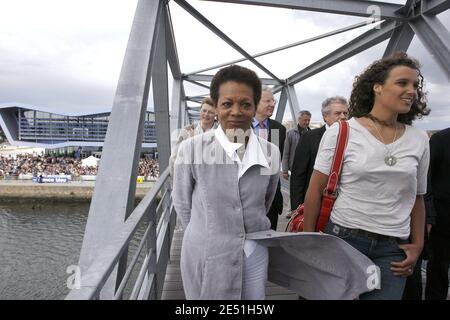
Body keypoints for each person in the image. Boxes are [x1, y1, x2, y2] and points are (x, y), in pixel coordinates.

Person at [303, 52, 430, 300]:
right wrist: (311, 245)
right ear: (377, 88)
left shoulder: (419, 139)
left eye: (415, 85)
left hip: (393, 250)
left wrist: (418, 246)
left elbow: (418, 198)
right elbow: (315, 189)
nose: (412, 91)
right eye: (402, 83)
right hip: (343, 241)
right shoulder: (343, 131)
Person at [172, 65, 281, 299]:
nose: (236, 111)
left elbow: (266, 200)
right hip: (206, 251)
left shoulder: (271, 153)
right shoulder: (191, 149)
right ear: (216, 107)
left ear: (254, 108)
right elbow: (181, 202)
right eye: (227, 104)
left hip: (253, 251)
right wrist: (210, 229)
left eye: (245, 104)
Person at [289, 97, 348, 212]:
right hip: (315, 204)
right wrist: (296, 207)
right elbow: (298, 174)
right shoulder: (308, 137)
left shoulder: (353, 137)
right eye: (338, 113)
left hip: (343, 206)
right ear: (325, 117)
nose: (343, 117)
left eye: (345, 113)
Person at [252, 86, 286, 230]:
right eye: (268, 101)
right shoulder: (239, 127)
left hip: (270, 199)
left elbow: (275, 163)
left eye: (274, 101)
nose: (272, 104)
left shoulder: (279, 129)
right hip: (245, 199)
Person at [425, 127, 450, 300]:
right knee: (438, 273)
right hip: (443, 223)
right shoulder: (440, 140)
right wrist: (430, 217)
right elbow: (426, 183)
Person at [169, 97, 217, 176]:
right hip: (189, 179)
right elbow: (174, 158)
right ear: (200, 111)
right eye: (204, 111)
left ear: (215, 114)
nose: (206, 114)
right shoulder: (186, 131)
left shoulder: (221, 133)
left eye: (210, 112)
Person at [281, 110, 311, 181]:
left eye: (308, 120)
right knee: (295, 190)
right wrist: (285, 171)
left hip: (307, 169)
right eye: (305, 120)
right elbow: (286, 153)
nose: (307, 122)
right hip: (294, 168)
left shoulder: (311, 134)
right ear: (299, 119)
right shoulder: (290, 133)